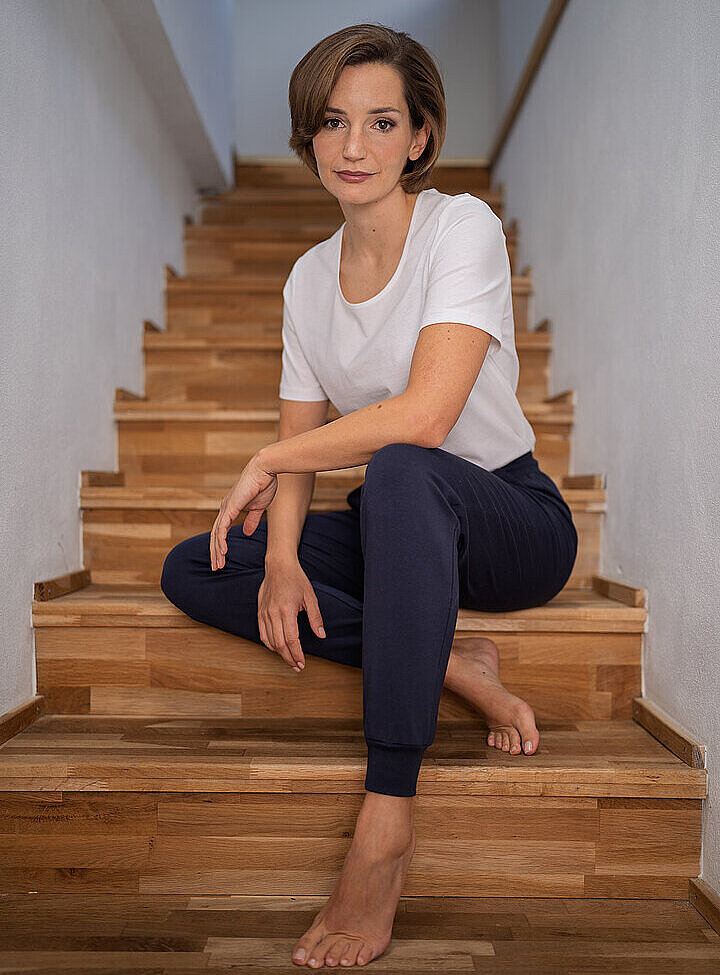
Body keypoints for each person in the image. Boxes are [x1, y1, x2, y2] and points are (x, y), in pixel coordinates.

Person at [160, 22, 578, 970]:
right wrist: (278, 559)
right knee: (198, 565)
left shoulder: (461, 229)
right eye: (333, 122)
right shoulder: (307, 280)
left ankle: (386, 820)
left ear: (420, 136)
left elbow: (426, 416)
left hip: (509, 519)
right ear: (309, 135)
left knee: (397, 464)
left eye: (382, 122)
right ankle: (450, 662)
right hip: (398, 521)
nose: (354, 146)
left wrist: (271, 455)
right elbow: (303, 450)